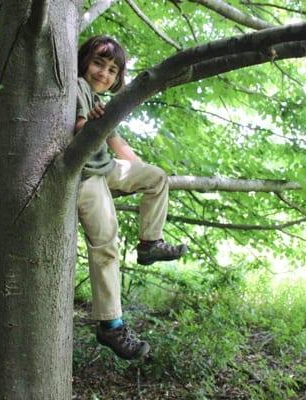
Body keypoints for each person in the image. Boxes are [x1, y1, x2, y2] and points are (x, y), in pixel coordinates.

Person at [75, 35, 187, 360]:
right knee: (105, 244)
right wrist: (90, 123)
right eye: (98, 63)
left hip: (105, 167)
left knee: (156, 177)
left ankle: (150, 243)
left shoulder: (98, 98)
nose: (103, 73)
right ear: (84, 61)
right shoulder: (76, 87)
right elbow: (78, 125)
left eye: (112, 70)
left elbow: (116, 143)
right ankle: (111, 323)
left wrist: (140, 172)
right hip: (86, 175)